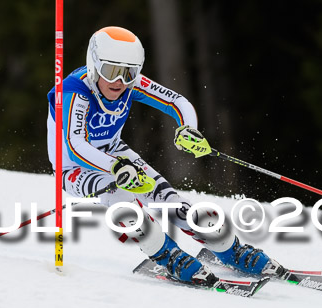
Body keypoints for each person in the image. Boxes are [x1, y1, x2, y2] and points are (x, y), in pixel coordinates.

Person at [47, 26, 286, 286]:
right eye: (111, 71)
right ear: (93, 66)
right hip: (73, 167)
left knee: (165, 197)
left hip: (115, 154)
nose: (120, 81)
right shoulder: (74, 91)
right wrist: (116, 168)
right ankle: (165, 255)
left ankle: (229, 248)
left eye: (129, 73)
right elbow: (75, 145)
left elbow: (177, 102)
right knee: (122, 200)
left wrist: (187, 128)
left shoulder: (129, 84)